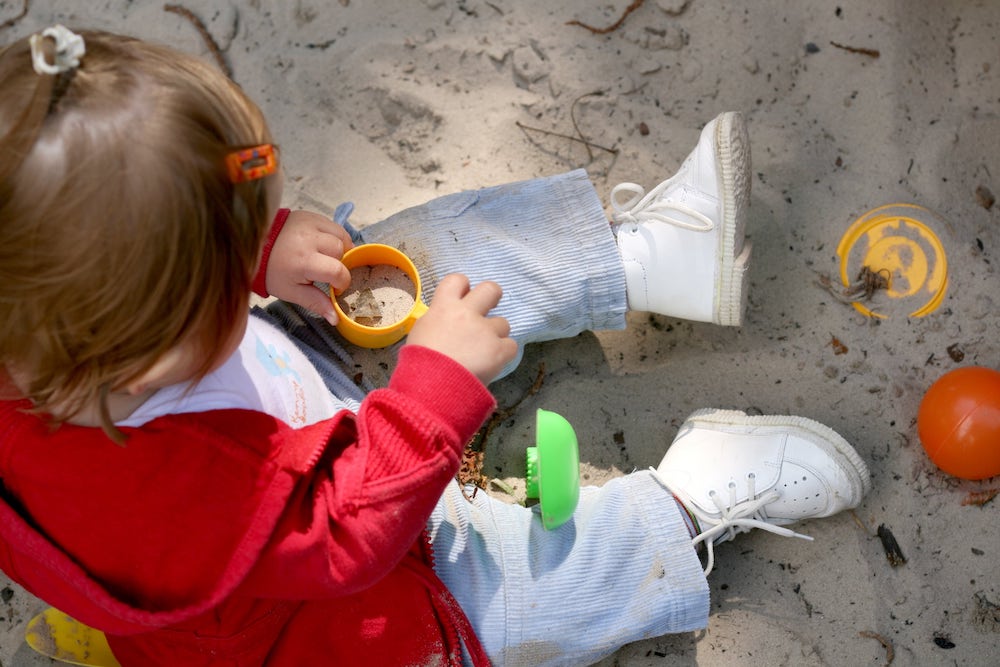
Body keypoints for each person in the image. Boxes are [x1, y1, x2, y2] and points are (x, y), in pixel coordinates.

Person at [0, 27, 871, 667]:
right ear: (145, 339)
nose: (246, 260)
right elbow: (348, 536)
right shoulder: (163, 497)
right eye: (224, 264)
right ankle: (676, 508)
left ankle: (640, 259)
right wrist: (430, 393)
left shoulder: (48, 314)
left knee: (379, 265)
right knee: (504, 602)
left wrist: (261, 258)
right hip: (332, 595)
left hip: (302, 418)